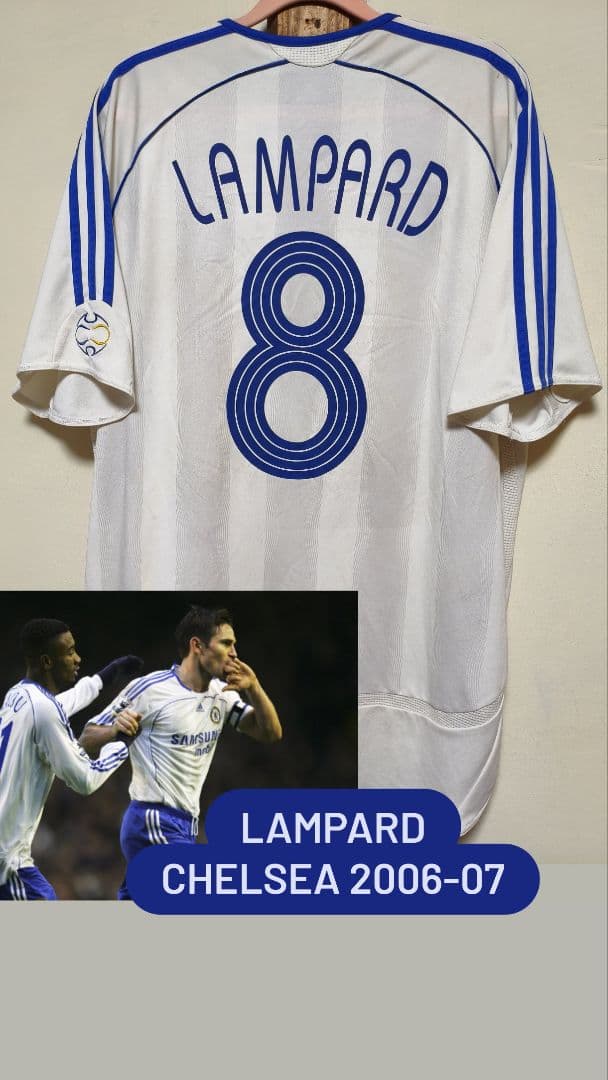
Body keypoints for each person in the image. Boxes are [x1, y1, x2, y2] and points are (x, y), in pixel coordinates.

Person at [81, 606, 282, 899]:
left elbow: (270, 733)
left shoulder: (221, 694)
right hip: (152, 821)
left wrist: (255, 687)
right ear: (197, 645)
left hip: (185, 825)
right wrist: (114, 730)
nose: (234, 653)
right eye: (226, 643)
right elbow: (86, 737)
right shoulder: (151, 689)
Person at [0, 618, 143, 900]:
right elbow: (85, 780)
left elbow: (61, 705)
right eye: (69, 652)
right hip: (7, 859)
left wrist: (104, 677)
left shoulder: (18, 694)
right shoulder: (44, 711)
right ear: (47, 661)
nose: (78, 658)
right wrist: (123, 743)